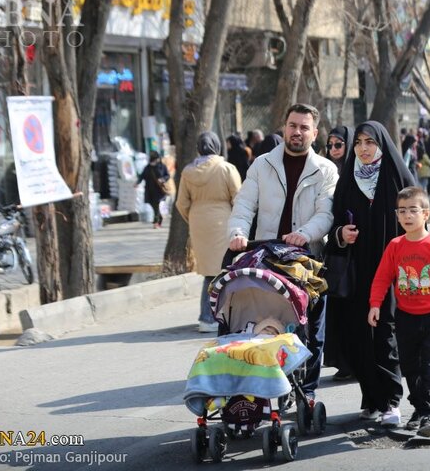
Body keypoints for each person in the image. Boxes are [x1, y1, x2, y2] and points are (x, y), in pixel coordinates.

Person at [227, 103, 339, 401]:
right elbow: (244, 206)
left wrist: (305, 233)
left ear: (314, 133)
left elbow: (326, 213)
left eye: (304, 127)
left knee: (312, 330)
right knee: (266, 324)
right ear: (284, 127)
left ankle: (309, 392)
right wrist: (237, 233)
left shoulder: (325, 170)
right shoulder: (262, 164)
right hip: (267, 257)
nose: (297, 132)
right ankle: (262, 385)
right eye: (293, 125)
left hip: (308, 260)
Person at [329, 120, 414, 426]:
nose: (363, 149)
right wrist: (342, 233)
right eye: (359, 143)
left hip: (392, 269)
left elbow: (416, 220)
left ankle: (391, 400)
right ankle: (371, 398)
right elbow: (334, 222)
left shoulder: (396, 177)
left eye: (370, 142)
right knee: (359, 333)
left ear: (381, 145)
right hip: (357, 269)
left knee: (385, 331)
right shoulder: (348, 180)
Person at [369, 186, 430, 437]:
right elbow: (382, 277)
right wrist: (375, 304)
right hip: (405, 317)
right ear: (397, 215)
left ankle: (428, 414)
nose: (407, 215)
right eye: (402, 211)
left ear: (426, 214)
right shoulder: (395, 246)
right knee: (410, 367)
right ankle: (419, 409)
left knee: (429, 366)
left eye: (413, 210)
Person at [176, 132, 241, 332]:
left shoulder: (188, 172)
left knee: (209, 271)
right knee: (223, 268)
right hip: (222, 220)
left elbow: (181, 203)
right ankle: (210, 316)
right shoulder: (226, 168)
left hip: (198, 221)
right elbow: (239, 197)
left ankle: (209, 316)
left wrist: (193, 218)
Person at [323, 125, 354, 380]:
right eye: (330, 145)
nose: (333, 150)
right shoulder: (326, 172)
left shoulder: (358, 171)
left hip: (359, 249)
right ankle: (344, 362)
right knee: (340, 307)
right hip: (337, 248)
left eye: (338, 145)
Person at [136, 150, 170, 228]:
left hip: (159, 190)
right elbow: (142, 176)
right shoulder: (147, 167)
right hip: (149, 190)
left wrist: (163, 179)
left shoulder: (162, 166)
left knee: (156, 205)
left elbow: (167, 175)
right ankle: (159, 219)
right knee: (154, 206)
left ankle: (156, 222)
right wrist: (137, 183)